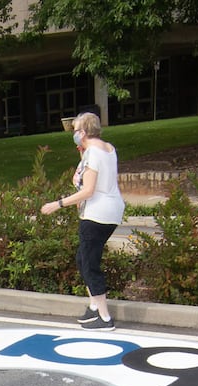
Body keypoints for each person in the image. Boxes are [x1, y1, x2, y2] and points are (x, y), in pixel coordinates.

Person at [41, 111, 125, 332]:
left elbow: (87, 190)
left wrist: (57, 204)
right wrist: (82, 153)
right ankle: (94, 307)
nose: (74, 134)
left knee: (89, 262)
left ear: (85, 131)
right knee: (83, 258)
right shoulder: (107, 149)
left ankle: (104, 317)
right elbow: (88, 178)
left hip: (96, 214)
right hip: (111, 210)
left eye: (76, 130)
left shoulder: (93, 153)